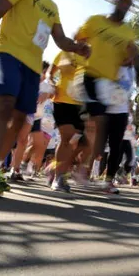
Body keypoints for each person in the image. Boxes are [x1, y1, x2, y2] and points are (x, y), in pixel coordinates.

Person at [0, 0, 90, 197]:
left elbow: (60, 39)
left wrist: (77, 47)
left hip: (32, 67)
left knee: (19, 121)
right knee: (5, 105)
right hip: (7, 54)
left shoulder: (53, 7)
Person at [73, 0, 138, 192]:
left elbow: (133, 50)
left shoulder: (128, 32)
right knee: (95, 127)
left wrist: (132, 55)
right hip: (92, 78)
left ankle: (107, 180)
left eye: (129, 3)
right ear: (115, 1)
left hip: (114, 89)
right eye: (123, 1)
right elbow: (77, 38)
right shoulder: (95, 21)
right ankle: (73, 167)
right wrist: (81, 48)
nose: (126, 6)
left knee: (116, 136)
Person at [48, 50, 89, 191]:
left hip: (82, 104)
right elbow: (50, 73)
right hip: (63, 100)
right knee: (67, 137)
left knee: (83, 143)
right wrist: (52, 83)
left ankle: (56, 167)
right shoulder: (64, 53)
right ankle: (59, 177)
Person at [101, 64, 136, 194]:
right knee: (95, 147)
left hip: (121, 113)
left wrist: (127, 112)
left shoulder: (132, 70)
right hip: (104, 110)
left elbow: (128, 91)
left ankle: (108, 181)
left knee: (116, 149)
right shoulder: (111, 61)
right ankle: (70, 170)